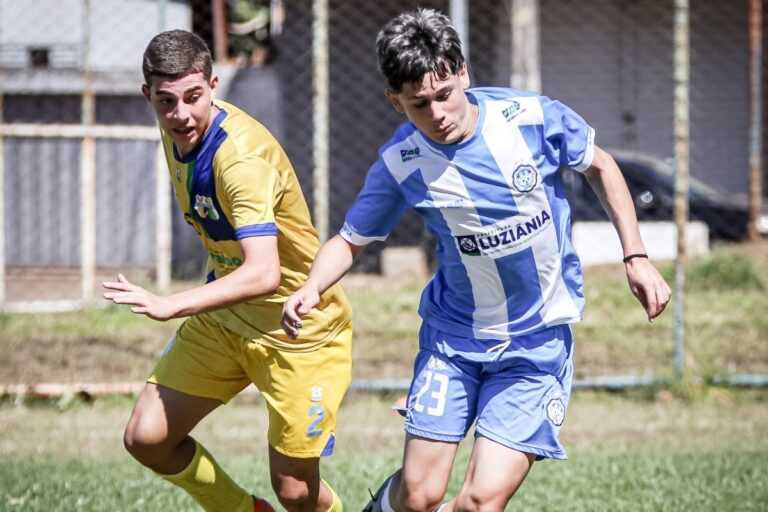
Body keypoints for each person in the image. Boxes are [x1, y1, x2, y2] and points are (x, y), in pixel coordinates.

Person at [281, 9, 671, 512]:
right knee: (420, 496)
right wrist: (312, 287)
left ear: (462, 73)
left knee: (481, 501)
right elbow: (349, 241)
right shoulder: (401, 162)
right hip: (453, 342)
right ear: (395, 102)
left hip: (536, 342)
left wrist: (635, 256)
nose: (438, 113)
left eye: (444, 94)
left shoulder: (531, 118)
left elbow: (602, 166)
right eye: (419, 104)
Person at [103, 29, 351, 512]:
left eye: (194, 97)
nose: (181, 114)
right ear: (148, 96)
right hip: (226, 318)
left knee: (297, 494)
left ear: (214, 85)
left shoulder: (239, 160)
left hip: (295, 329)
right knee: (147, 437)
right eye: (166, 101)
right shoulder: (174, 123)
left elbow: (264, 274)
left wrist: (170, 303)